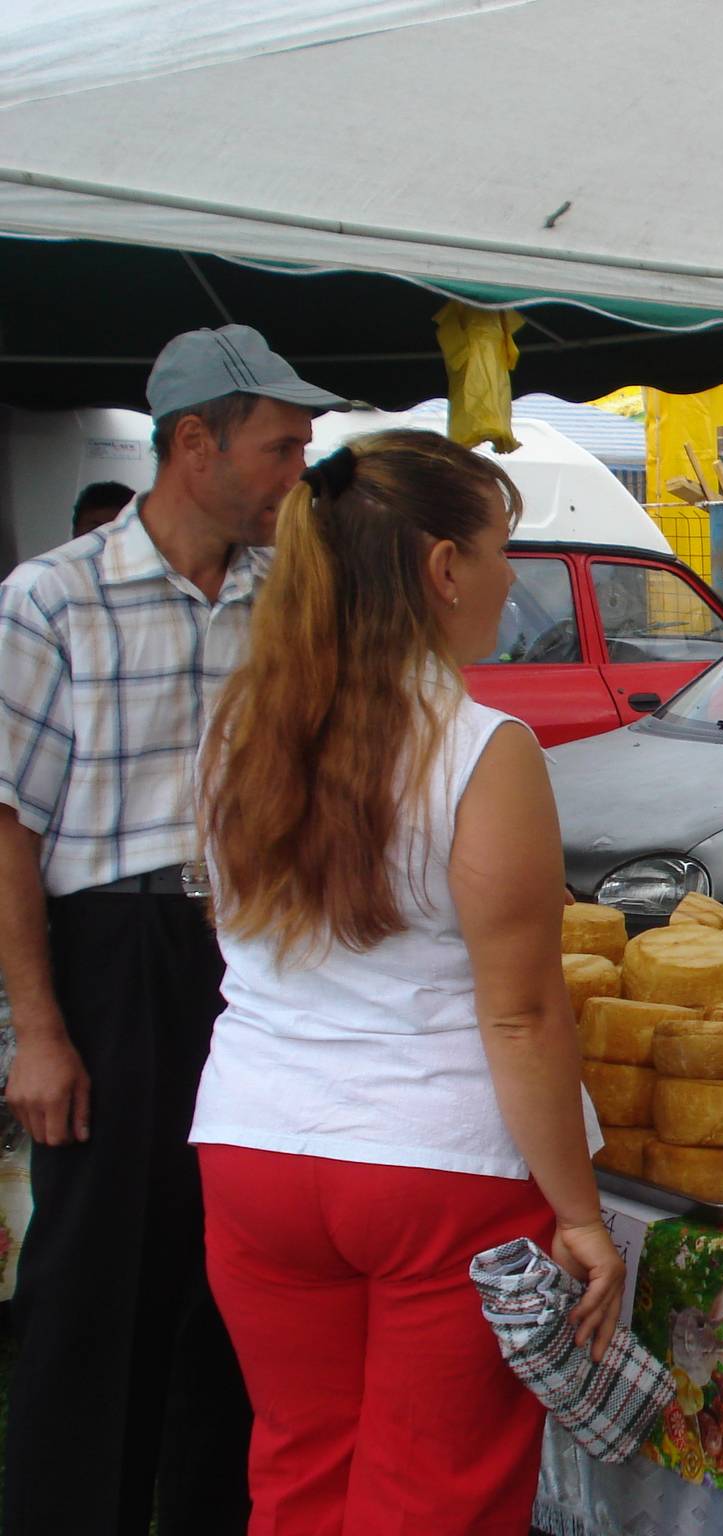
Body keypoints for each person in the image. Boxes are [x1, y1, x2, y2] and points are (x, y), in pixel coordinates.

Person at [192, 429, 622, 1532]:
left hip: (253, 1144)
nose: (508, 578)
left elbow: (236, 928)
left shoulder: (237, 729)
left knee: (299, 1471)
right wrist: (578, 1215)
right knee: (432, 1493)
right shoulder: (482, 748)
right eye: (499, 549)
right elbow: (521, 1014)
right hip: (435, 1171)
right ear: (441, 570)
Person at [0, 325, 345, 1536]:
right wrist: (35, 1031)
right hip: (110, 955)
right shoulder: (51, 600)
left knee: (232, 1275)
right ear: (194, 445)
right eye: (280, 448)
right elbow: (9, 829)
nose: (296, 472)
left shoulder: (284, 600)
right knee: (97, 1281)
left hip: (251, 956)